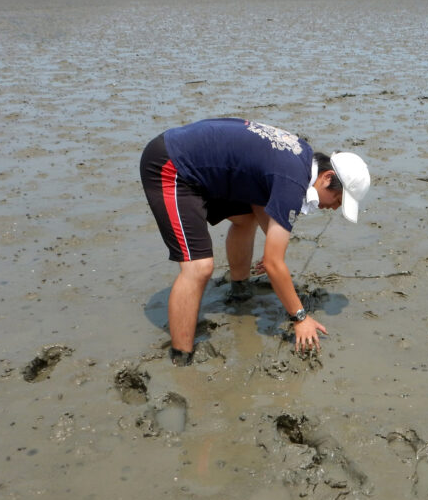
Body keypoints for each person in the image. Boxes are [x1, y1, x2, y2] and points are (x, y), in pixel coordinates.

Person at [140, 118, 370, 364]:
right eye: (337, 200)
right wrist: (300, 317)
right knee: (199, 267)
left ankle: (239, 290)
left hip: (206, 165)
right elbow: (273, 262)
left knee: (245, 218)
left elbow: (260, 197)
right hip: (172, 164)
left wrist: (272, 250)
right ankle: (181, 356)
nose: (333, 208)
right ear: (326, 178)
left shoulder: (301, 157)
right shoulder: (292, 182)